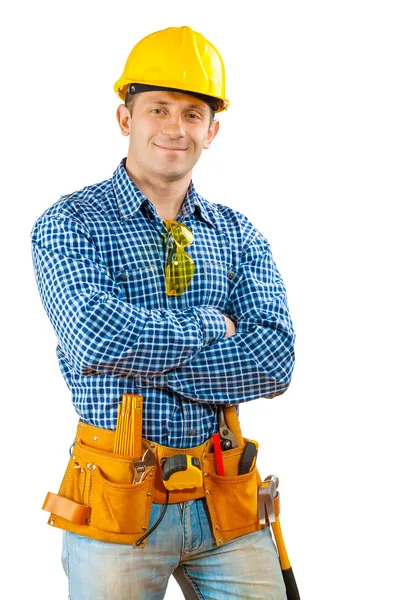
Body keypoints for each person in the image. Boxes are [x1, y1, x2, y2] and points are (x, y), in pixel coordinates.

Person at [31, 25, 296, 600]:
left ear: (213, 130)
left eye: (193, 114)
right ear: (126, 118)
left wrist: (134, 351)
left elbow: (273, 360)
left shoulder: (238, 234)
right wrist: (212, 326)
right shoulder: (70, 223)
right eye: (159, 109)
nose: (176, 128)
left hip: (224, 494)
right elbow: (95, 340)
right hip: (115, 498)